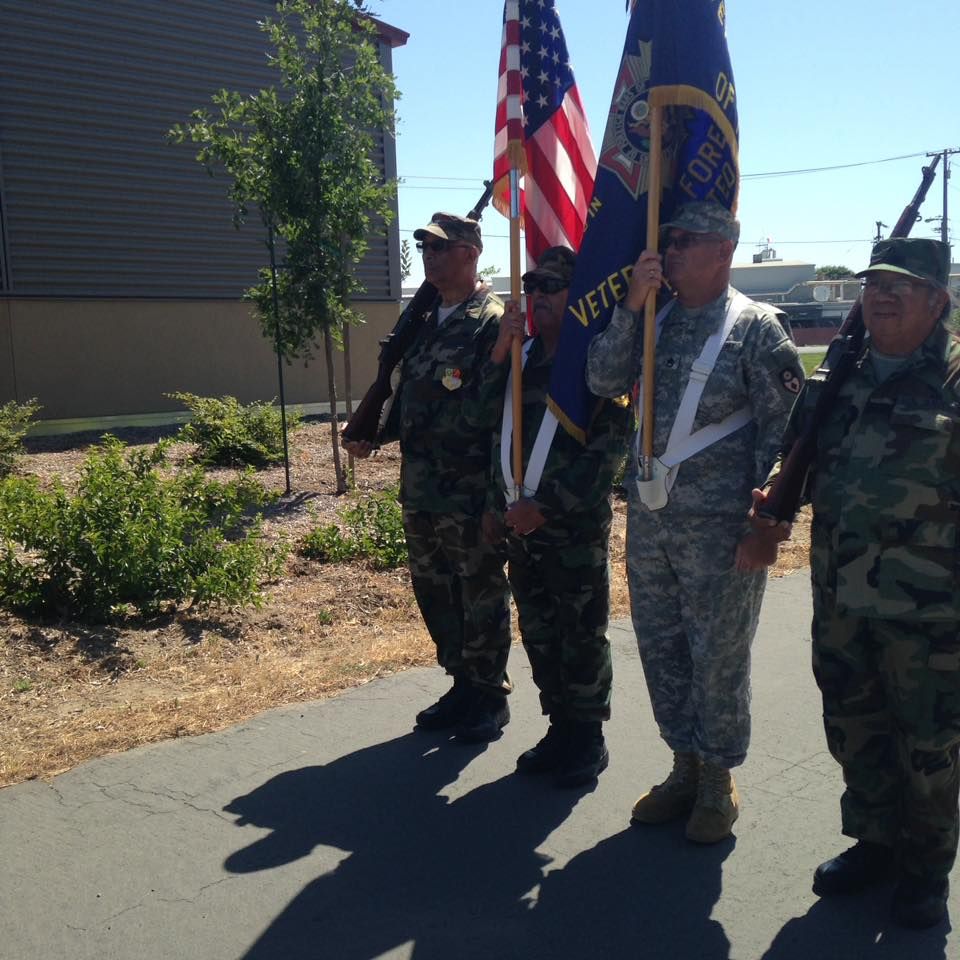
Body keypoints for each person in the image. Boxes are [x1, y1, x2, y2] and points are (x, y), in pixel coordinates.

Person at [747, 238, 958, 929]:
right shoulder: (838, 378)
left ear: (938, 299)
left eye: (902, 285)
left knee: (928, 744)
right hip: (840, 597)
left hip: (932, 612)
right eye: (874, 283)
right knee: (854, 727)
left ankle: (926, 871)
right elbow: (799, 465)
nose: (883, 295)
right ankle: (875, 843)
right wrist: (773, 500)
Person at [586, 200, 804, 842]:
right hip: (653, 526)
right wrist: (631, 306)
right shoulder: (655, 317)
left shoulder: (757, 328)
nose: (671, 250)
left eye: (686, 241)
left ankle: (718, 781)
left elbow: (787, 438)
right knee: (663, 650)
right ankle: (683, 765)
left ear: (724, 250)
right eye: (669, 240)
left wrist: (766, 524)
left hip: (721, 533)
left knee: (718, 659)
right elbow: (602, 379)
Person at [342, 212, 511, 743]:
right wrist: (374, 431)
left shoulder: (492, 321)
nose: (429, 256)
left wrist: (495, 498)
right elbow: (412, 396)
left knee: (480, 591)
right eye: (425, 248)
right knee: (434, 590)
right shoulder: (422, 320)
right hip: (420, 488)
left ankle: (489, 695)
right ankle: (461, 682)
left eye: (440, 248)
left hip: (470, 491)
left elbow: (493, 407)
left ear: (470, 253)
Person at [477, 246, 630, 787]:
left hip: (570, 532)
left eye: (552, 288)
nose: (539, 297)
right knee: (539, 631)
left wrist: (545, 506)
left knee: (580, 634)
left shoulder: (596, 367)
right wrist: (499, 507)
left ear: (579, 297)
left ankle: (587, 738)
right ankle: (560, 727)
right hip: (521, 529)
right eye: (533, 288)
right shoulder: (524, 359)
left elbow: (607, 455)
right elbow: (490, 427)